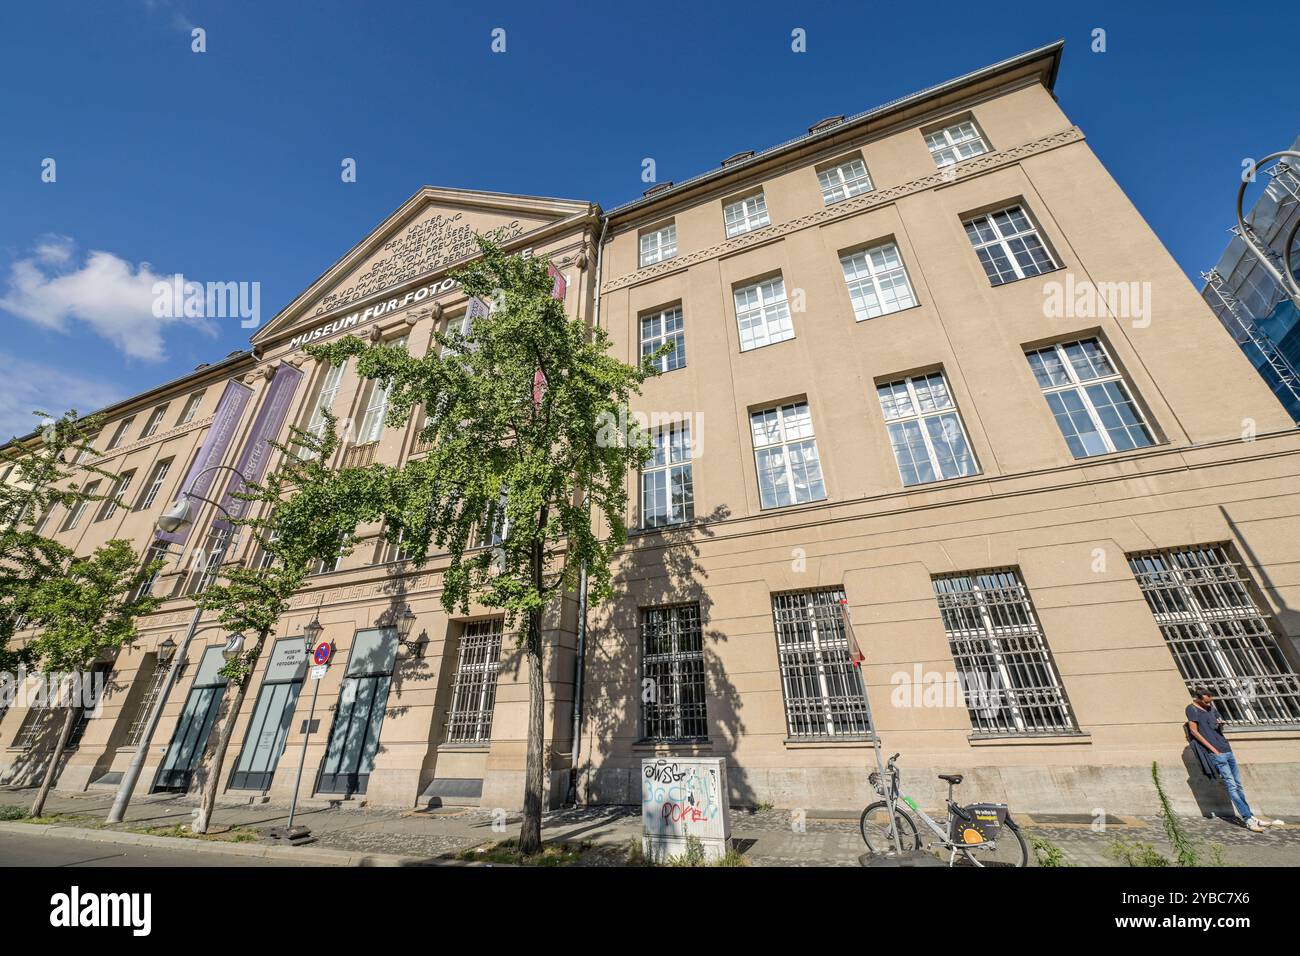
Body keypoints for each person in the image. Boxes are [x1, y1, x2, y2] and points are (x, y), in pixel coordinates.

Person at [1185, 689, 1282, 831]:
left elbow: (1216, 726)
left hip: (1226, 749)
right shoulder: (1192, 709)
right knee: (1232, 786)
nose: (1208, 703)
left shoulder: (1211, 708)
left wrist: (1220, 724)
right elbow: (1194, 731)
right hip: (1217, 752)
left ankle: (1250, 815)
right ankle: (1247, 819)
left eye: (1210, 700)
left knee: (1238, 784)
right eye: (1206, 701)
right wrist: (1213, 750)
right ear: (1198, 699)